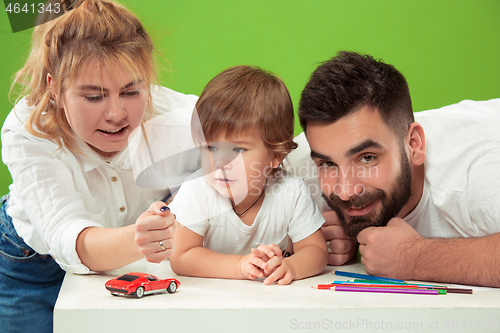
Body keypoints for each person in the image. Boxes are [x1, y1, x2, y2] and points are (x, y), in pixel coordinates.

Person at [0, 1, 198, 332]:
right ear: (55, 88)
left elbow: (257, 154)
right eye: (94, 97)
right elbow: (67, 233)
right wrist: (145, 236)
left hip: (135, 261)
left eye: (132, 90)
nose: (116, 113)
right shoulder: (26, 129)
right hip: (29, 265)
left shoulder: (181, 117)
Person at [287, 51, 500, 287]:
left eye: (367, 158)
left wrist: (416, 257)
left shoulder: (476, 172)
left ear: (414, 145)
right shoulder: (299, 165)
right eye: (327, 164)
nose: (345, 192)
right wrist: (309, 241)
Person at [169, 66, 328, 285]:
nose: (221, 163)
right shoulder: (197, 190)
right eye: (211, 148)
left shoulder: (291, 191)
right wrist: (240, 265)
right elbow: (182, 257)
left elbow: (316, 250)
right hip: (207, 299)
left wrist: (291, 266)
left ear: (275, 155)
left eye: (238, 150)